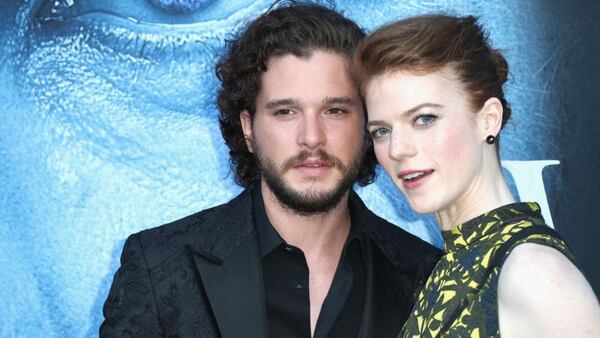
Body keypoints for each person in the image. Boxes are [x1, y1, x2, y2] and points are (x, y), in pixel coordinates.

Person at [100, 3, 441, 337]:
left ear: (367, 124)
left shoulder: (429, 278)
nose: (312, 138)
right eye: (285, 112)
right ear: (248, 127)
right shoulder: (160, 267)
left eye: (335, 110)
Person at [354, 14, 600, 337]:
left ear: (489, 120)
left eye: (424, 118)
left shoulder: (533, 273)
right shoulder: (451, 268)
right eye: (382, 130)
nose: (397, 149)